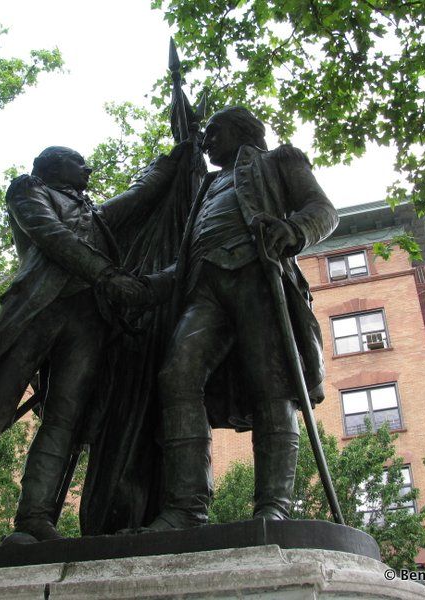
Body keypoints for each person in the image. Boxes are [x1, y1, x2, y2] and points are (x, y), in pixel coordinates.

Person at [0, 143, 186, 553]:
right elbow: (52, 236)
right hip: (35, 311)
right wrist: (107, 275)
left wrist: (172, 160)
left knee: (64, 422)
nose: (88, 168)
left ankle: (34, 520)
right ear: (53, 165)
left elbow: (139, 196)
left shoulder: (96, 216)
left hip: (86, 323)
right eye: (78, 161)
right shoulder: (28, 189)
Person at [146, 106, 339, 530]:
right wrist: (147, 287)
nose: (206, 140)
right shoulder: (207, 187)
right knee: (176, 377)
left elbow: (322, 210)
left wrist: (294, 231)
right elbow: (185, 255)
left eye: (214, 132)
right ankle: (186, 507)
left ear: (242, 130)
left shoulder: (278, 161)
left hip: (257, 275)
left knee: (271, 386)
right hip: (204, 287)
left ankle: (273, 506)